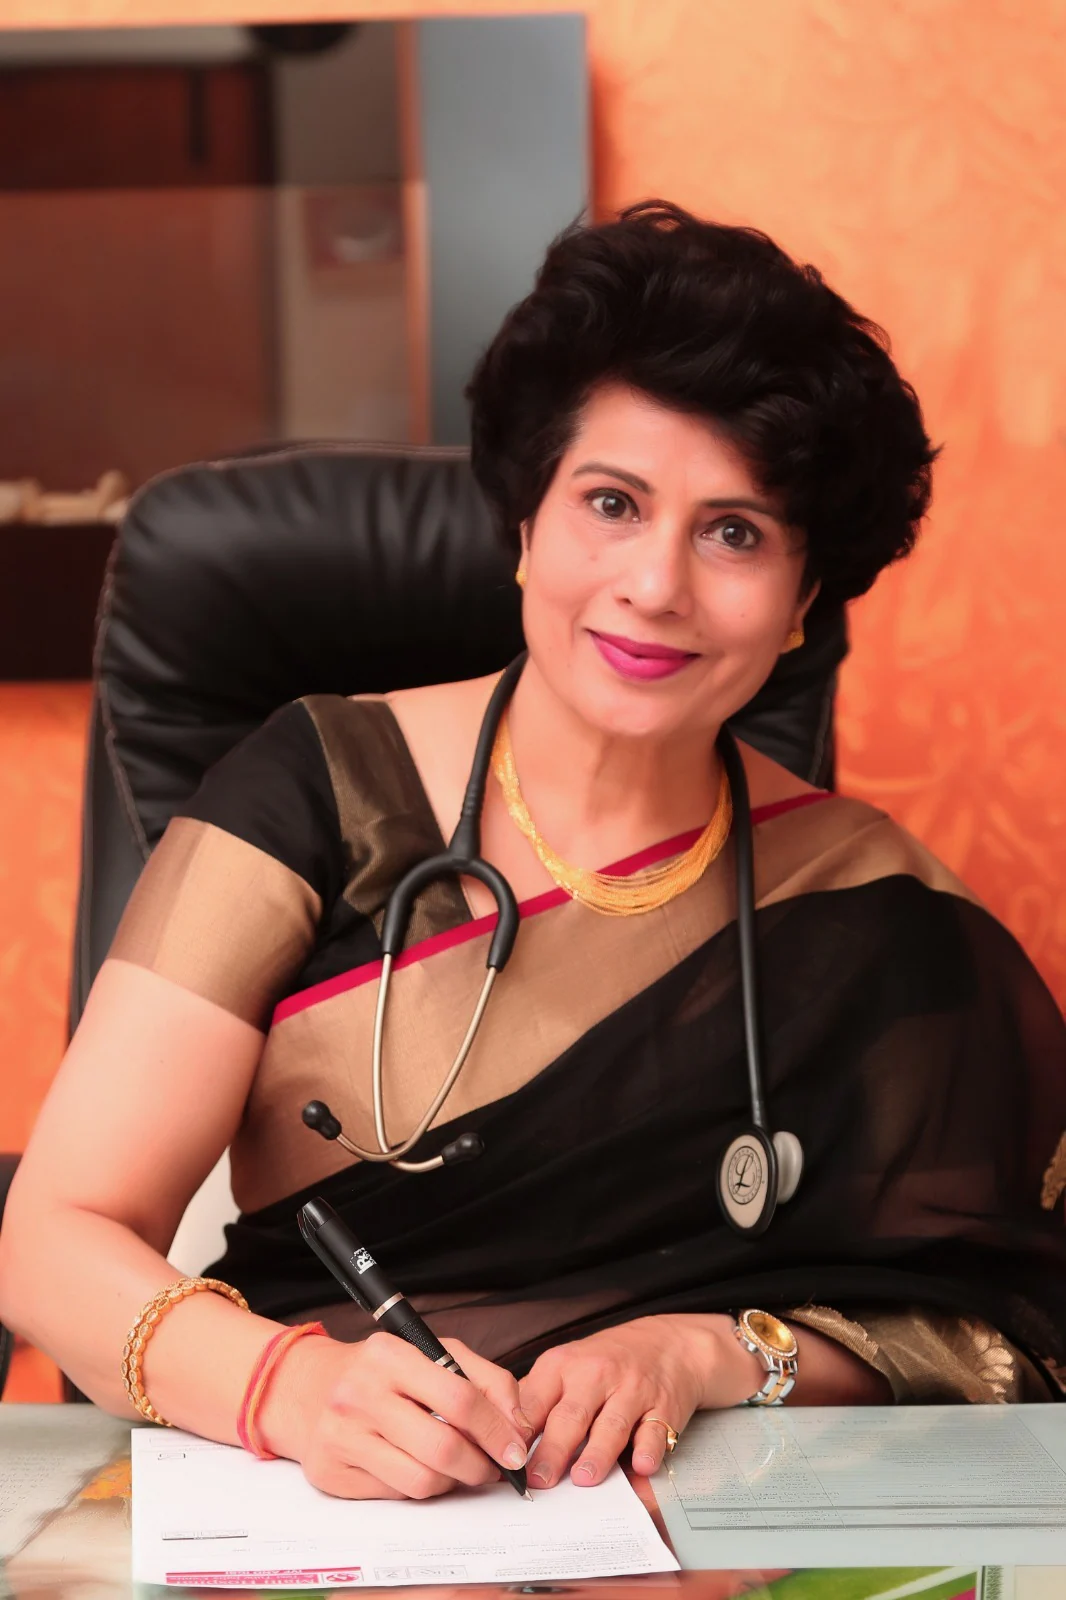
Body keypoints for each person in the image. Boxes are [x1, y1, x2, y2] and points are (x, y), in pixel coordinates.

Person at [2, 202, 1064, 1504]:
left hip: (701, 1525)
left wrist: (713, 1352)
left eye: (733, 531)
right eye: (610, 503)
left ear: (801, 600)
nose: (655, 585)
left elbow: (996, 1329)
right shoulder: (317, 790)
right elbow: (52, 1239)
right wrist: (291, 1387)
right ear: (524, 524)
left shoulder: (872, 902)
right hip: (320, 1505)